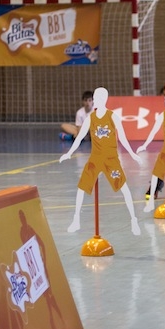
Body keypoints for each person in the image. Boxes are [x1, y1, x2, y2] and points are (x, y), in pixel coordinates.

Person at [59, 87, 142, 236]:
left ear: (103, 99)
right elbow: (79, 137)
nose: (95, 100)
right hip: (95, 158)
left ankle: (133, 220)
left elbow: (122, 137)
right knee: (81, 188)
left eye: (97, 97)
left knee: (124, 188)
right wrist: (69, 153)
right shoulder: (91, 118)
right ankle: (76, 220)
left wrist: (132, 154)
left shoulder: (113, 116)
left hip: (111, 159)